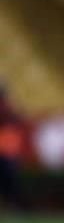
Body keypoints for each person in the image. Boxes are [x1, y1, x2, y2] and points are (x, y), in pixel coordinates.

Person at [0, 83, 26, 213]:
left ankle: (13, 206)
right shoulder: (8, 107)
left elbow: (18, 119)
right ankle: (12, 206)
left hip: (7, 150)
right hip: (8, 150)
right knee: (9, 182)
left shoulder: (7, 106)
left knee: (9, 182)